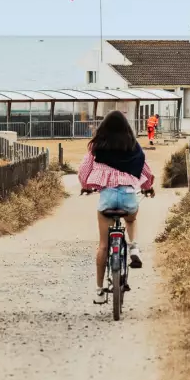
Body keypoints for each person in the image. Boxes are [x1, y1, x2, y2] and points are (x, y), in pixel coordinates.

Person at [78, 110, 154, 305]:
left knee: (103, 245)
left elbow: (84, 171)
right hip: (129, 197)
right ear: (126, 128)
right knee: (131, 219)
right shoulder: (133, 146)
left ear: (104, 128)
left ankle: (99, 291)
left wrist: (86, 186)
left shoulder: (97, 146)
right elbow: (146, 171)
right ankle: (134, 247)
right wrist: (148, 187)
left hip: (108, 199)